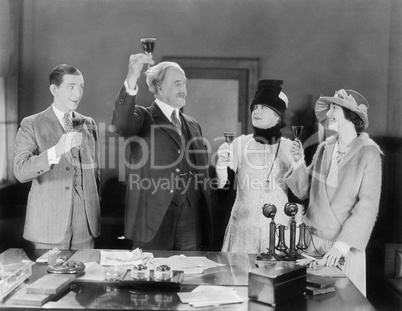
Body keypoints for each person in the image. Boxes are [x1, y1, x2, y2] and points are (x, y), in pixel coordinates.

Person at [111, 53, 212, 251]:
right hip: (152, 220)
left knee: (190, 276)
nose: (184, 90)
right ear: (159, 87)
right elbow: (121, 124)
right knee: (151, 278)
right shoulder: (142, 117)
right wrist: (132, 77)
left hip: (191, 218)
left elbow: (202, 172)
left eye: (184, 84)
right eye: (177, 84)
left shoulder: (193, 124)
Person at [286, 89, 383, 296]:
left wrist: (341, 246)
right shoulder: (324, 148)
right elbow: (304, 191)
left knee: (343, 302)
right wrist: (298, 162)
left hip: (344, 245)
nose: (328, 114)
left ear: (351, 116)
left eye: (334, 108)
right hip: (313, 243)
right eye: (329, 108)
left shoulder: (369, 153)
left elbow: (367, 206)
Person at [14, 64, 101, 250]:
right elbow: (20, 171)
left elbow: (95, 174)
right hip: (48, 224)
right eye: (71, 86)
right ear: (54, 89)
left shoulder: (88, 123)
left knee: (86, 276)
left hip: (85, 225)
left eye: (81, 87)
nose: (77, 93)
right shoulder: (32, 124)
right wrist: (56, 151)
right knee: (48, 278)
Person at [215, 80, 302, 253]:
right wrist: (220, 167)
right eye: (255, 107)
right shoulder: (240, 143)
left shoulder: (289, 147)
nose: (257, 111)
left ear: (278, 116)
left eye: (264, 108)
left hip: (278, 235)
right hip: (242, 233)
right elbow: (222, 188)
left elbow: (301, 192)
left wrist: (299, 162)